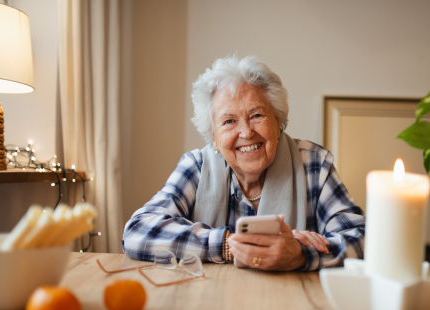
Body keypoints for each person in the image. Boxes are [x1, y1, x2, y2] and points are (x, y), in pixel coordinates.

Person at [122, 55, 365, 271]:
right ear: (214, 137)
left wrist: (300, 254)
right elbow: (138, 231)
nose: (246, 133)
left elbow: (364, 240)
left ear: (278, 121)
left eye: (257, 115)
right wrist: (230, 245)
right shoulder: (196, 166)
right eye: (229, 121)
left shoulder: (313, 164)